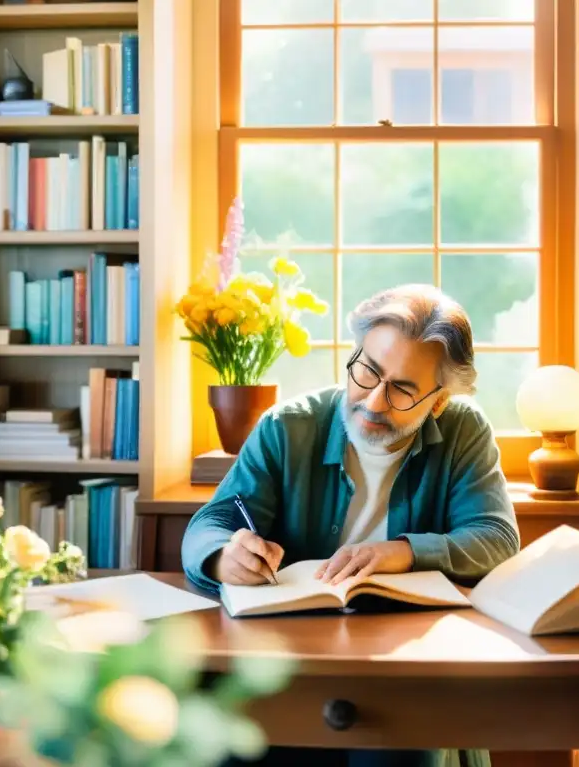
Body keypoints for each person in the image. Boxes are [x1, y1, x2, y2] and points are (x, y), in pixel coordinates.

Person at [182, 284, 520, 767]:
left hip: (410, 665)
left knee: (402, 751)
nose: (374, 402)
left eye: (403, 388)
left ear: (439, 400)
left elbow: (498, 539)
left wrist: (402, 551)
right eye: (368, 372)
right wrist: (222, 554)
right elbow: (210, 523)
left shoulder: (465, 430)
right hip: (290, 656)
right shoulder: (287, 426)